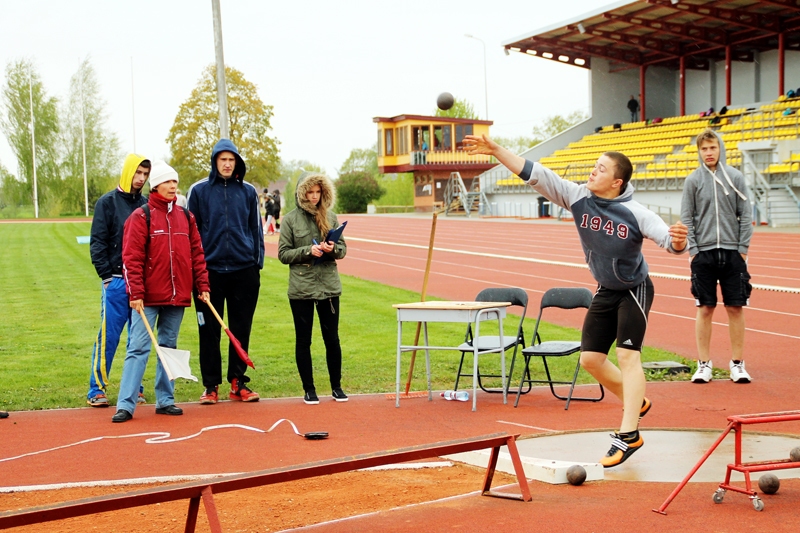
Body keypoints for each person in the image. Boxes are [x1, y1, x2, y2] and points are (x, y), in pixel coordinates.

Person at [464, 134, 688, 468]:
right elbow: (536, 173)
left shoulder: (635, 212)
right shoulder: (578, 196)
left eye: (601, 169)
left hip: (633, 289)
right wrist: (496, 150)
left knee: (627, 356)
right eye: (594, 166)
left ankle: (629, 435)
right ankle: (635, 400)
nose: (593, 172)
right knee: (591, 360)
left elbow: (669, 242)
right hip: (605, 289)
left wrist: (679, 241)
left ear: (617, 182)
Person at [112, 161, 210, 422]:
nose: (173, 185)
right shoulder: (141, 216)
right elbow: (131, 258)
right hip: (147, 298)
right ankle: (125, 404)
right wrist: (135, 292)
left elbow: (197, 254)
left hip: (177, 296)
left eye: (175, 181)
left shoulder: (186, 217)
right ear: (155, 185)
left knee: (169, 346)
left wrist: (202, 285)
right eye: (167, 181)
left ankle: (166, 400)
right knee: (138, 347)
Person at [187, 139, 263, 404]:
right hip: (209, 273)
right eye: (223, 160)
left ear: (237, 162)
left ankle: (237, 382)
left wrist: (256, 265)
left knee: (240, 329)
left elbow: (256, 230)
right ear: (215, 161)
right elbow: (191, 234)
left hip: (244, 270)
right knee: (209, 331)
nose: (228, 164)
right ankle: (211, 385)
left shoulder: (248, 191)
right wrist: (196, 273)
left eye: (232, 160)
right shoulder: (199, 191)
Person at [681, 129, 753, 385]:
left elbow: (746, 213)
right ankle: (704, 364)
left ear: (720, 148)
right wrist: (694, 251)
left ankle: (737, 364)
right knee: (705, 308)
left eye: (712, 147)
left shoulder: (735, 177)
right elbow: (687, 217)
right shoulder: (693, 180)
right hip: (704, 254)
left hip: (733, 253)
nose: (709, 153)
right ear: (699, 152)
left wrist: (742, 249)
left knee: (735, 307)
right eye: (704, 149)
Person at [278, 173, 348, 405]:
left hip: (329, 287)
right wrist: (308, 251)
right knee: (303, 340)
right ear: (302, 193)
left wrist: (331, 248)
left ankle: (337, 387)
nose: (314, 196)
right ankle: (309, 389)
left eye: (318, 192)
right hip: (301, 288)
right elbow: (283, 254)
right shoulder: (290, 220)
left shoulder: (331, 216)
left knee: (332, 339)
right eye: (310, 192)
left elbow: (342, 250)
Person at [86, 154, 150, 407]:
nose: (141, 178)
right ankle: (96, 389)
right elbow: (98, 242)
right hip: (115, 281)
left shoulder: (146, 204)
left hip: (140, 284)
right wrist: (106, 277)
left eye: (145, 174)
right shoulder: (107, 203)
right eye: (138, 173)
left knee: (139, 339)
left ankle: (135, 388)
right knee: (109, 337)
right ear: (128, 171)